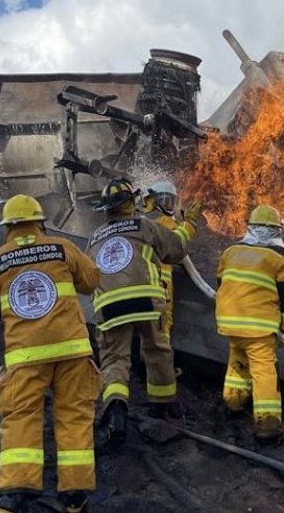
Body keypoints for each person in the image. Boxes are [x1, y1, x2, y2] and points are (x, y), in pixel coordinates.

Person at [0, 195, 100, 513]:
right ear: (40, 223)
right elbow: (91, 280)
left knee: (21, 416)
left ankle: (15, 491)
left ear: (8, 227)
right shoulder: (62, 247)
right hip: (72, 349)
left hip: (27, 356)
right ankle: (74, 494)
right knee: (74, 416)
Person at [87, 177, 193, 442]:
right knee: (157, 348)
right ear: (130, 203)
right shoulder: (144, 225)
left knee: (114, 359)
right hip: (145, 298)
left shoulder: (93, 239)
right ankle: (163, 403)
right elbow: (175, 251)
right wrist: (189, 224)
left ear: (106, 209)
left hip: (109, 304)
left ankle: (115, 409)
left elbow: (86, 278)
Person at [215, 204, 284, 441]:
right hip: (258, 326)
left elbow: (220, 284)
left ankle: (232, 405)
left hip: (229, 321)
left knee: (237, 361)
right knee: (264, 371)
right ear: (276, 231)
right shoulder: (280, 257)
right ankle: (267, 427)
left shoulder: (231, 251)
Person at [140, 180, 197, 340]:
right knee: (161, 335)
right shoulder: (164, 222)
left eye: (172, 201)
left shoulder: (138, 221)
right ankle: (161, 364)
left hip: (136, 288)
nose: (169, 206)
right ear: (153, 200)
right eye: (164, 200)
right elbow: (175, 243)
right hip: (158, 288)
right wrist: (190, 224)